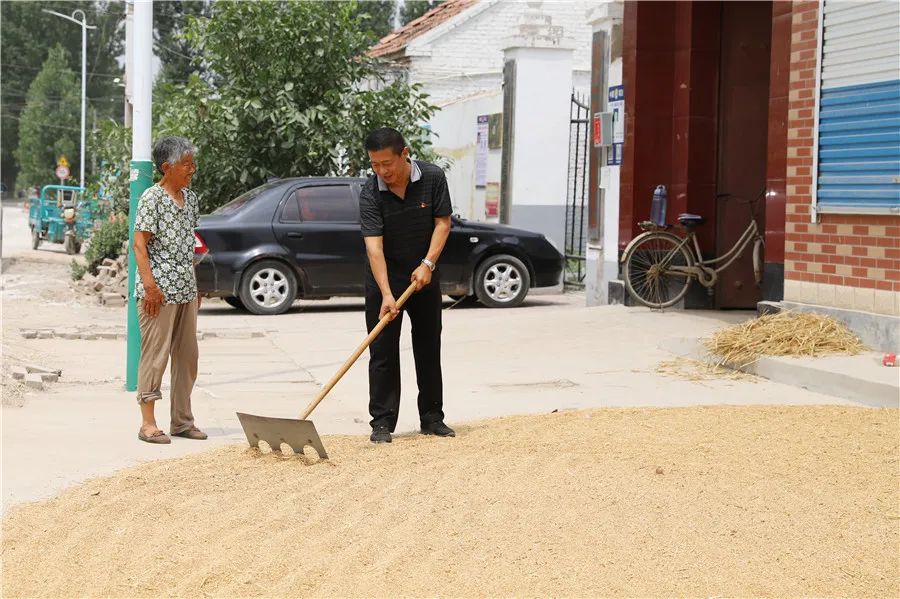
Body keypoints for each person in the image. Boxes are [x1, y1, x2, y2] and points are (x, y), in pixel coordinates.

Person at [359, 127, 455, 444]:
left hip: (424, 275)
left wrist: (428, 263)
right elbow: (374, 248)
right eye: (375, 164)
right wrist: (387, 294)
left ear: (404, 153)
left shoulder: (432, 177)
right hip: (385, 278)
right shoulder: (370, 191)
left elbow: (442, 223)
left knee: (428, 347)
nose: (382, 171)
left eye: (387, 163)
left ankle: (432, 418)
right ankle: (382, 423)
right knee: (383, 352)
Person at [132, 136, 206, 444]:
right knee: (155, 356)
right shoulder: (152, 198)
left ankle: (182, 421)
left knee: (187, 357)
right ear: (167, 167)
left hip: (186, 291)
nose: (192, 169)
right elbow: (139, 244)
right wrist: (150, 286)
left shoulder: (190, 199)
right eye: (186, 164)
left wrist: (195, 287)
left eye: (192, 163)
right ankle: (148, 423)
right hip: (158, 294)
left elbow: (189, 245)